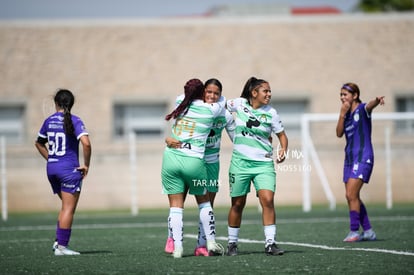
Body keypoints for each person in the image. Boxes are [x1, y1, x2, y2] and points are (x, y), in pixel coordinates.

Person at [164, 78, 235, 256]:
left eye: (216, 93)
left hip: (210, 162)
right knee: (186, 201)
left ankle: (201, 245)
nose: (212, 95)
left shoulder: (224, 115)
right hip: (195, 160)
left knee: (205, 203)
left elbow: (236, 138)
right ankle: (172, 237)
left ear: (220, 95)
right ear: (202, 92)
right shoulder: (207, 108)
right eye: (208, 92)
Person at [225, 77, 288, 256]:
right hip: (240, 163)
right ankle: (232, 244)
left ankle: (270, 243)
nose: (269, 94)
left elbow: (282, 136)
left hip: (264, 163)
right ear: (254, 93)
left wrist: (283, 150)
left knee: (267, 200)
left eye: (269, 91)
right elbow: (219, 108)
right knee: (238, 204)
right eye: (265, 91)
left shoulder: (272, 113)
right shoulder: (238, 104)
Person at [35, 89, 91, 255]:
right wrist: (86, 165)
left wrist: (51, 159)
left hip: (51, 168)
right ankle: (61, 247)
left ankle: (58, 243)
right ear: (71, 104)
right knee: (68, 209)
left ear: (56, 103)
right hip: (68, 169)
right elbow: (86, 144)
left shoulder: (48, 121)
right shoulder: (74, 120)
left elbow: (38, 143)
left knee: (65, 207)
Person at [336, 82, 384, 242]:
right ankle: (369, 231)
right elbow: (338, 133)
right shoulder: (346, 113)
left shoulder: (362, 109)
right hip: (349, 159)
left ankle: (354, 231)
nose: (342, 97)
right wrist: (342, 114)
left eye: (345, 94)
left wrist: (377, 100)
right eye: (341, 95)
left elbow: (370, 105)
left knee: (351, 194)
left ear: (355, 95)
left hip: (363, 157)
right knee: (352, 196)